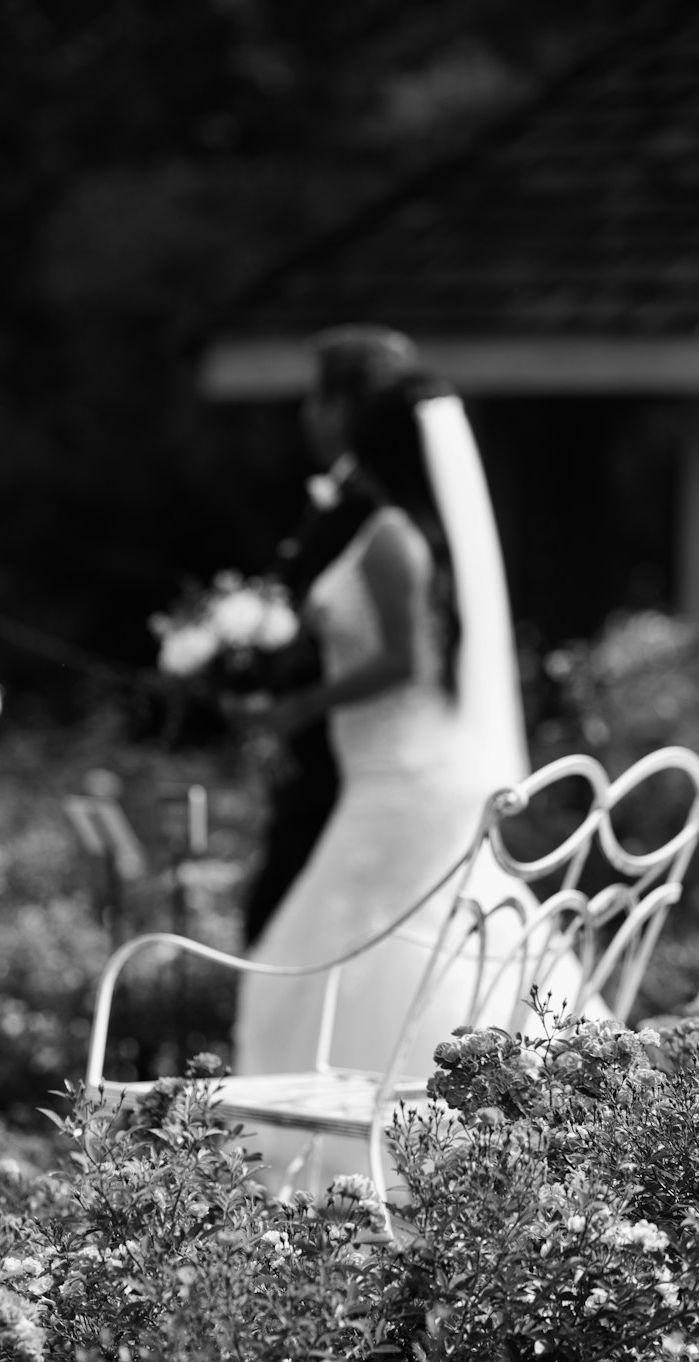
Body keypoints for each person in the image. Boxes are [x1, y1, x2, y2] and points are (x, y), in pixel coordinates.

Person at [233, 364, 592, 1193]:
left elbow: (408, 660)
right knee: (373, 941)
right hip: (382, 772)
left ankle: (390, 1154)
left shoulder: (391, 534)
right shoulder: (381, 528)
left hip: (406, 773)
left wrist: (303, 705)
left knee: (358, 945)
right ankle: (404, 1145)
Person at [241, 325, 421, 945]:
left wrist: (299, 703)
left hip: (353, 768)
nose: (307, 414)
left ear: (346, 409)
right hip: (327, 759)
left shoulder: (383, 521)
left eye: (317, 398)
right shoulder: (353, 502)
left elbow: (405, 655)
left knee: (285, 932)